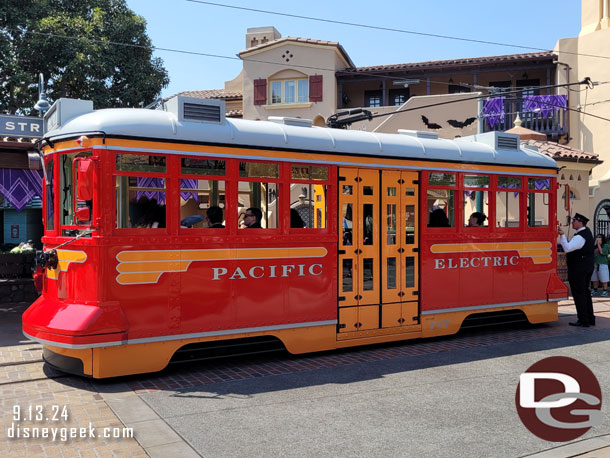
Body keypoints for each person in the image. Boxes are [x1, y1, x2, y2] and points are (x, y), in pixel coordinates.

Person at [558, 213, 596, 327]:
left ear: (580, 222)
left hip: (579, 269)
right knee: (585, 293)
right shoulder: (587, 232)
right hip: (586, 268)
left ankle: (583, 320)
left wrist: (562, 235)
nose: (572, 222)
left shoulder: (580, 236)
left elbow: (567, 248)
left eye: (574, 221)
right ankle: (590, 318)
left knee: (579, 294)